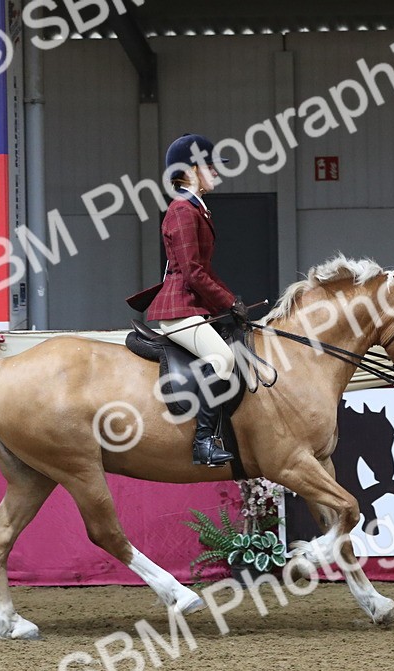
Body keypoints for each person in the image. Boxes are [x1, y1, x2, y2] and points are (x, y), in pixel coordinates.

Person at [145, 133, 246, 467]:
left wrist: (231, 302)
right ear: (190, 170)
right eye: (210, 167)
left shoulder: (196, 210)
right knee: (221, 359)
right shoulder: (181, 211)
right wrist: (228, 303)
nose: (216, 172)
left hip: (191, 304)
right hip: (178, 308)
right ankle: (203, 442)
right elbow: (191, 273)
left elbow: (205, 270)